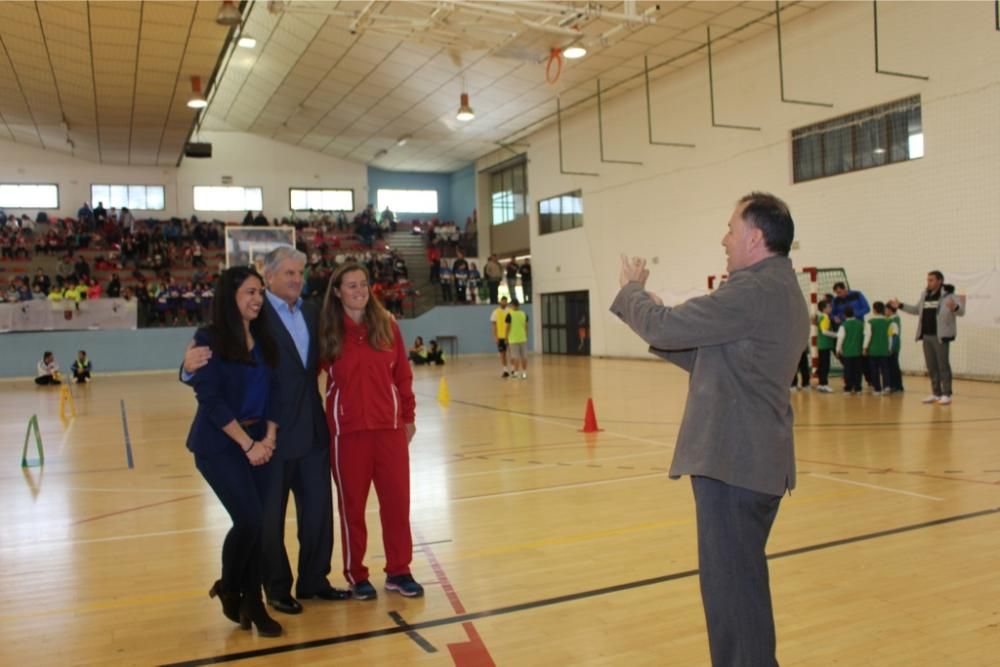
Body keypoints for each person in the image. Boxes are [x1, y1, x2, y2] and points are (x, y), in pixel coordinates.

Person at [610, 192, 809, 667]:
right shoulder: (776, 289)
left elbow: (667, 329)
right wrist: (660, 319)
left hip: (735, 464)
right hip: (747, 463)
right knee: (738, 597)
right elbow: (707, 356)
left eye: (730, 229)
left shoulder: (752, 290)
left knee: (734, 603)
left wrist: (634, 294)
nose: (724, 239)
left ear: (755, 238)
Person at [184, 246, 348, 617]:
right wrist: (187, 367)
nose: (296, 279)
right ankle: (275, 587)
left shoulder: (310, 310)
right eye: (288, 273)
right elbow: (218, 350)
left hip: (312, 429)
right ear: (268, 276)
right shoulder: (255, 317)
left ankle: (314, 580)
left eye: (300, 273)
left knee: (318, 512)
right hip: (270, 434)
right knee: (269, 517)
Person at [184, 266, 282, 637]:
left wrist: (269, 437)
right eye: (249, 292)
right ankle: (234, 589)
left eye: (259, 292)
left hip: (260, 440)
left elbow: (275, 391)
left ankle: (248, 600)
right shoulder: (208, 338)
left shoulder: (264, 336)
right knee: (251, 521)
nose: (257, 299)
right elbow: (211, 400)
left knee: (257, 525)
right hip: (220, 444)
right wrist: (248, 444)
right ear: (230, 297)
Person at [318, 262, 422, 600]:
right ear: (337, 292)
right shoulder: (328, 331)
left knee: (396, 503)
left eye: (363, 284)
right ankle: (356, 574)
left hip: (389, 430)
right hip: (348, 433)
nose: (359, 290)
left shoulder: (388, 326)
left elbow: (403, 375)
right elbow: (301, 376)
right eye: (351, 285)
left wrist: (407, 417)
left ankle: (399, 570)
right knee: (352, 508)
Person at [889, 270, 964, 405]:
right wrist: (900, 305)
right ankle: (936, 393)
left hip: (940, 336)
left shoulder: (950, 296)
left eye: (931, 280)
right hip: (926, 336)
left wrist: (955, 307)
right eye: (927, 280)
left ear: (939, 281)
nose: (928, 282)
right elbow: (916, 310)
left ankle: (947, 394)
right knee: (931, 366)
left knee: (943, 366)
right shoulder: (925, 295)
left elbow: (961, 312)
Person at [864, 302, 893, 395]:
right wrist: (890, 347)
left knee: (874, 370)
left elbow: (868, 336)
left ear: (874, 310)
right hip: (884, 349)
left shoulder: (870, 322)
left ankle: (877, 389)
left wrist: (865, 347)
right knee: (886, 369)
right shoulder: (888, 322)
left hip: (873, 350)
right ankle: (887, 387)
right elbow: (890, 336)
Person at [836, 306, 864, 394]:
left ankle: (848, 387)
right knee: (858, 370)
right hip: (858, 351)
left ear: (844, 315)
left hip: (847, 352)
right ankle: (858, 388)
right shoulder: (861, 324)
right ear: (854, 313)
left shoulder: (843, 325)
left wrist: (837, 350)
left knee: (848, 371)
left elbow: (840, 338)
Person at [815, 299, 837, 393]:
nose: (830, 308)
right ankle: (824, 384)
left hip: (822, 345)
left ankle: (821, 384)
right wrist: (836, 334)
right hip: (825, 345)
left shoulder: (822, 317)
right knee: (825, 365)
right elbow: (824, 331)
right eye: (829, 307)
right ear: (824, 309)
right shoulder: (825, 318)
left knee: (822, 365)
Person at [505, 299, 529, 379]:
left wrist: (506, 338)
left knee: (515, 357)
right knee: (524, 356)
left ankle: (516, 373)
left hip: (513, 339)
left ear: (512, 305)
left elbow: (507, 328)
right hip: (523, 338)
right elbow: (526, 327)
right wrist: (525, 336)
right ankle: (524, 373)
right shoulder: (524, 314)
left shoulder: (509, 315)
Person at [885, 302, 904, 392]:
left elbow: (894, 335)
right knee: (891, 366)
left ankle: (898, 386)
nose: (884, 311)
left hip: (893, 346)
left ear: (889, 310)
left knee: (894, 366)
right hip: (892, 345)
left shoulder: (894, 320)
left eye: (885, 309)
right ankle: (893, 385)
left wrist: (892, 347)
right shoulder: (891, 319)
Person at [490, 295, 511, 377]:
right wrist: (495, 337)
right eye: (503, 301)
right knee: (503, 354)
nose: (504, 303)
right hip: (500, 336)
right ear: (500, 302)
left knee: (512, 353)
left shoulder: (510, 311)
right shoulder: (495, 312)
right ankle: (505, 370)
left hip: (510, 336)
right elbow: (494, 326)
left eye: (505, 301)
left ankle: (513, 370)